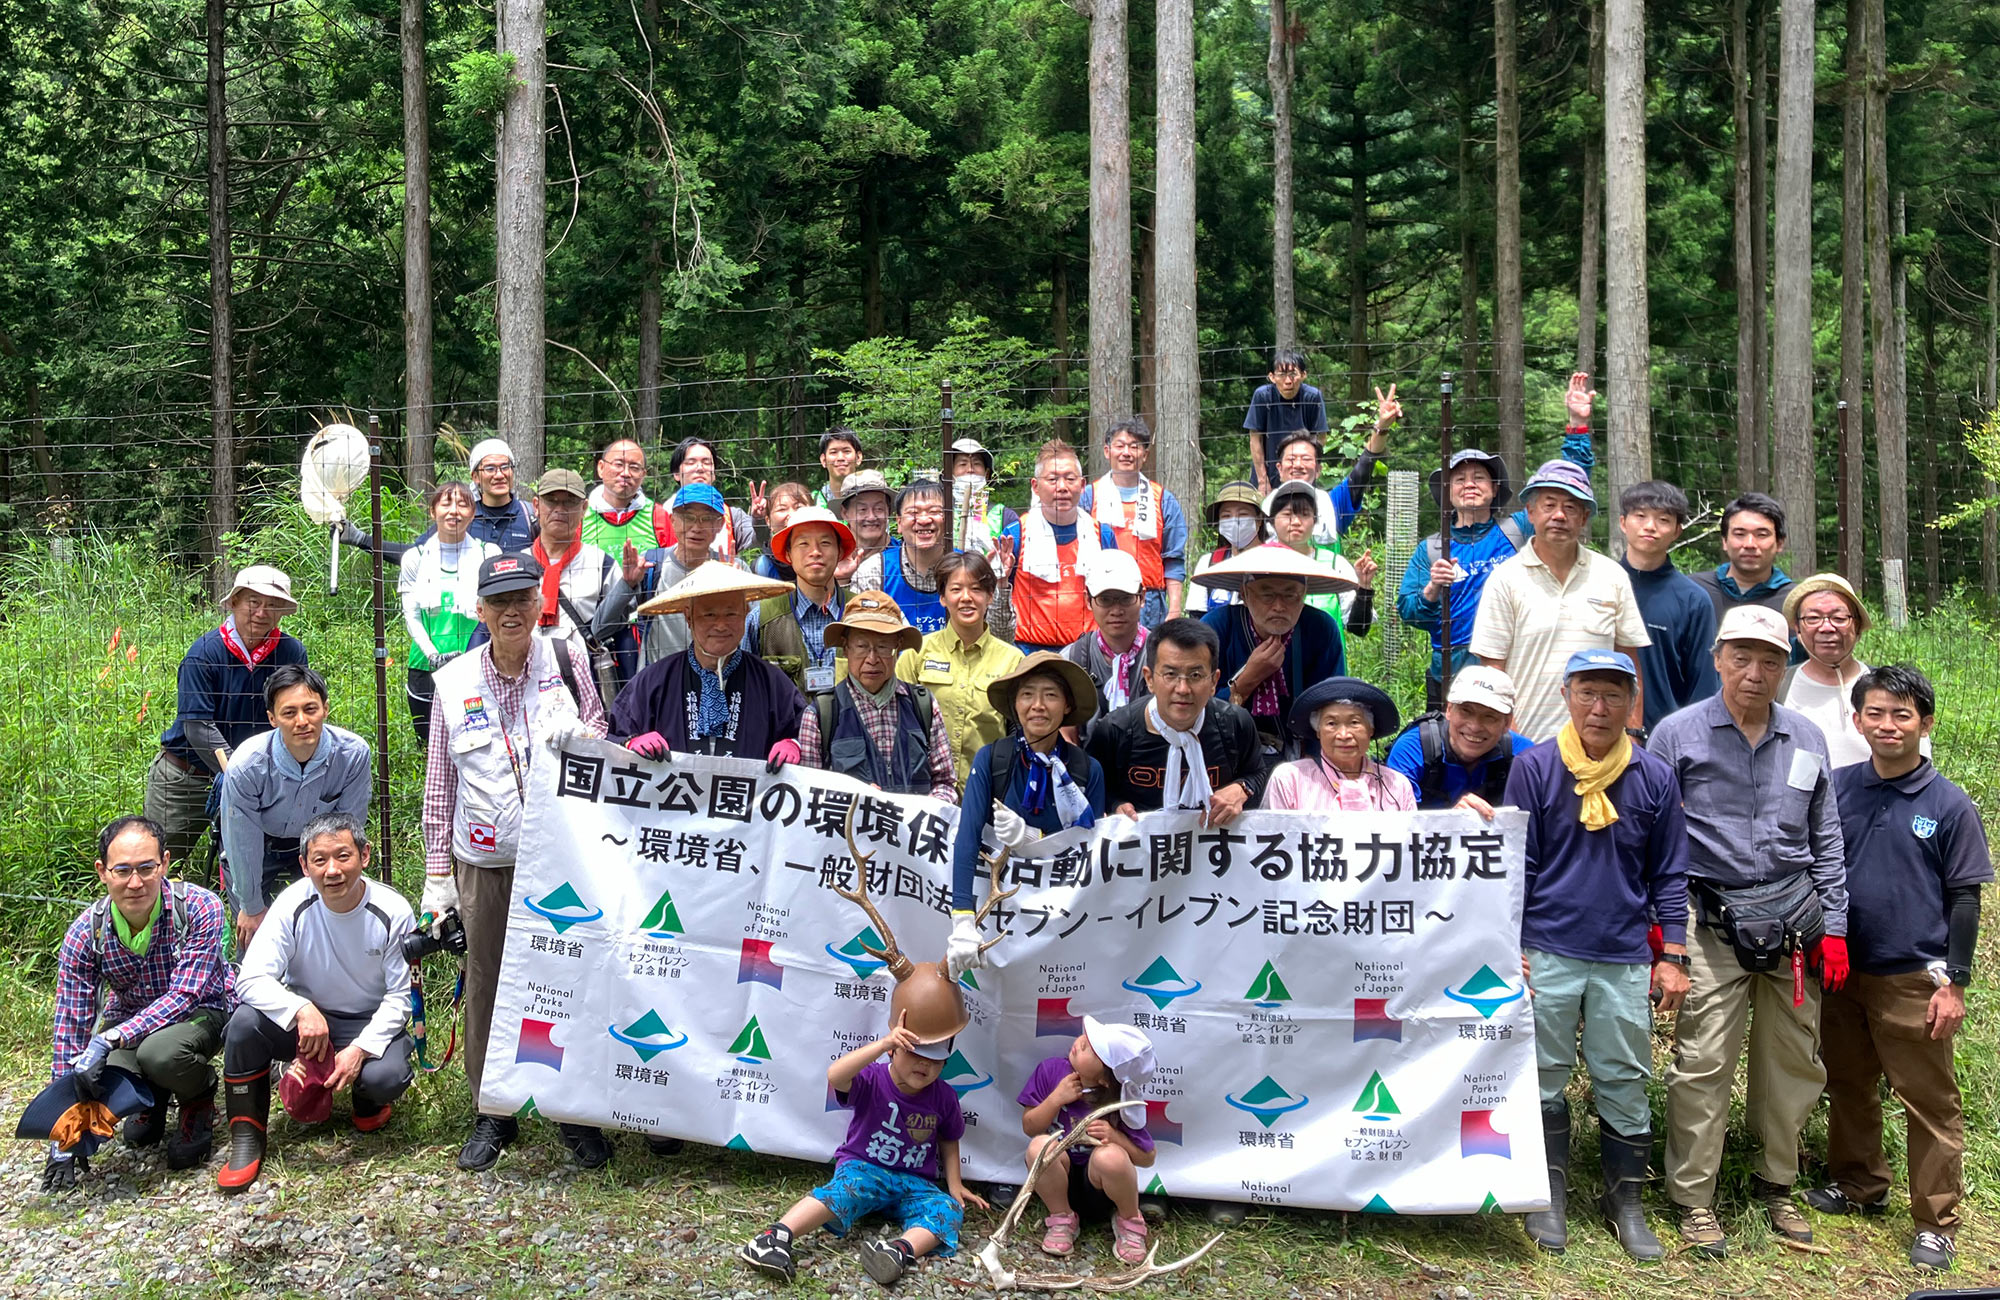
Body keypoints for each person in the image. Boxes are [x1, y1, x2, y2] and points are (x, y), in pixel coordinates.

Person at [1649, 604, 1848, 1258]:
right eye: (1742, 657)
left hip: (1794, 922)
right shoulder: (1677, 735)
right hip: (1710, 919)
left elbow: (1826, 837)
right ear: (1718, 660)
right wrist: (1666, 937)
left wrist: (1835, 926)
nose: (1755, 672)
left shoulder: (1807, 737)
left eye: (1769, 660)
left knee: (1792, 1059)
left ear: (1785, 665)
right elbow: (1658, 841)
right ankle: (1694, 1199)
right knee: (1703, 1061)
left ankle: (1777, 1182)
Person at [421, 552, 610, 1173]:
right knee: (488, 982)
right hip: (488, 858)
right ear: (480, 610)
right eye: (498, 601)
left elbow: (602, 727)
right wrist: (437, 878)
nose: (511, 611)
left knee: (567, 979)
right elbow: (440, 785)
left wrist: (580, 731)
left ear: (538, 603)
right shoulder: (452, 682)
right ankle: (492, 1110)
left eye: (522, 598)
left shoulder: (565, 656)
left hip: (564, 856)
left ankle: (571, 1109)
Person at [1504, 650, 1690, 1260]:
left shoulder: (1654, 776)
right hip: (1548, 948)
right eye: (1587, 692)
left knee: (1623, 1075)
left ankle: (1625, 1203)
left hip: (1623, 953)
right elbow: (1517, 867)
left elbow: (1668, 872)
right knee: (1543, 1073)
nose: (1600, 708)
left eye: (1614, 695)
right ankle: (1547, 1197)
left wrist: (1673, 955)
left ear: (1632, 702)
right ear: (1566, 695)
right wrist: (1510, 944)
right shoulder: (1533, 768)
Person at [1807, 664, 1989, 1272]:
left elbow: (1965, 897)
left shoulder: (1949, 804)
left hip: (1914, 976)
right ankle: (1859, 1184)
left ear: (1925, 723)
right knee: (1850, 1085)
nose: (1888, 725)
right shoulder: (1837, 786)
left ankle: (1936, 1222)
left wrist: (1955, 983)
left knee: (1927, 1101)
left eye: (1902, 714)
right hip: (1841, 970)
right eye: (1876, 714)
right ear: (1857, 722)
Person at [217, 813, 415, 1191]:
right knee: (243, 1025)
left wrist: (359, 1049)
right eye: (320, 860)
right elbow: (251, 977)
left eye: (343, 856)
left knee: (384, 1077)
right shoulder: (293, 904)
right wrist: (300, 1009)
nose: (333, 870)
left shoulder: (393, 910)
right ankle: (246, 1136)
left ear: (365, 856)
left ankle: (367, 1099)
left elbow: (400, 996)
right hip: (309, 1022)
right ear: (304, 865)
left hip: (365, 1020)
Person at [44, 816, 233, 1190]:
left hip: (203, 1010)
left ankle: (198, 1097)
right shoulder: (87, 934)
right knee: (102, 1072)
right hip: (131, 1021)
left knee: (159, 1055)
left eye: (147, 868)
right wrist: (62, 1134)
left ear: (164, 863)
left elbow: (185, 995)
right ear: (102, 871)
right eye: (123, 870)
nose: (135, 882)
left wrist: (110, 1038)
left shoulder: (199, 908)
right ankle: (153, 1100)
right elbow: (71, 1027)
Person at [1396, 373, 1599, 708]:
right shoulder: (1431, 550)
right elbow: (1409, 613)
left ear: (1494, 489)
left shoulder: (1518, 530)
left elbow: (1566, 486)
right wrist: (1432, 590)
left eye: (1479, 477)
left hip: (1515, 659)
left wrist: (1577, 425)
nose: (1469, 484)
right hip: (1450, 670)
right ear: (1448, 493)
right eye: (1459, 479)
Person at [738, 1013, 984, 1286]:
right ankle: (774, 1237)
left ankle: (898, 1253)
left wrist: (955, 1184)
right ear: (893, 1050)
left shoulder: (945, 1096)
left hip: (915, 1183)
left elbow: (949, 1139)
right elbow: (836, 1076)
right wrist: (881, 1044)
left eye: (935, 1059)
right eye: (914, 1053)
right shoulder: (872, 1078)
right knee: (844, 1189)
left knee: (948, 1209)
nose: (924, 1064)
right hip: (864, 1169)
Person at [1469, 459, 1649, 742]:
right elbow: (1493, 672)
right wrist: (1514, 744)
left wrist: (1634, 732)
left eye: (1571, 507)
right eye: (1549, 505)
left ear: (1584, 517)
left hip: (1602, 747)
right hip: (1527, 745)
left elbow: (1630, 663)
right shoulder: (1504, 580)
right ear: (1530, 512)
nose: (1559, 516)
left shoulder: (1612, 576)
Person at [147, 565, 309, 869]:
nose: (262, 612)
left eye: (272, 604)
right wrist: (237, 771)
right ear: (234, 603)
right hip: (186, 778)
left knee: (250, 866)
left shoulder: (291, 652)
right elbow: (197, 727)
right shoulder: (204, 653)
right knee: (158, 863)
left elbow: (297, 711)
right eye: (253, 601)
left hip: (259, 777)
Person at [219, 665, 372, 952]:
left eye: (310, 709)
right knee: (252, 938)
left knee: (329, 930)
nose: (302, 721)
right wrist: (252, 908)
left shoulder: (353, 755)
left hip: (318, 848)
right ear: (272, 718)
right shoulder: (247, 765)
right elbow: (241, 841)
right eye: (289, 713)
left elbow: (347, 831)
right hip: (259, 847)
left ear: (325, 709)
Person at [948, 654, 1104, 915]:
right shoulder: (992, 760)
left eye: (1051, 695)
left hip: (1061, 912)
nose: (1038, 705)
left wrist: (1033, 839)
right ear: (1015, 703)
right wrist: (962, 916)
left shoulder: (1087, 770)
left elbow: (1091, 852)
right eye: (1027, 694)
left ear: (1067, 705)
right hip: (999, 909)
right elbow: (967, 838)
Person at [611, 562, 805, 766]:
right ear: (689, 617)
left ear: (745, 613)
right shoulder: (653, 682)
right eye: (709, 615)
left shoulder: (771, 682)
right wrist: (630, 743)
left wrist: (793, 743)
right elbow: (615, 738)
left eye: (731, 614)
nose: (721, 625)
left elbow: (804, 732)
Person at [1083, 615, 1268, 823]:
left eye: (1196, 675)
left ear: (1214, 681)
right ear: (1149, 679)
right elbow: (1093, 786)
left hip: (1214, 846)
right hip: (1141, 849)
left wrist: (1241, 789)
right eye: (1170, 674)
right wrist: (1115, 805)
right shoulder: (1115, 730)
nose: (1183, 689)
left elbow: (1258, 773)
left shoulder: (1235, 724)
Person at [1016, 1019, 1158, 1264]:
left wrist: (1116, 1138)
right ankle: (1061, 1219)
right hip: (1059, 1185)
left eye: (1093, 1050)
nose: (1081, 1042)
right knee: (1039, 1146)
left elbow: (1148, 1158)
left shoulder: (1119, 1103)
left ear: (1105, 1079)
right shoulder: (1051, 1071)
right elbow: (1029, 1127)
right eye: (1087, 1038)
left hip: (1101, 1191)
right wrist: (1055, 1099)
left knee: (1110, 1156)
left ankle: (1130, 1221)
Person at [795, 593, 957, 802]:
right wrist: (849, 798)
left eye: (883, 647)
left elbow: (945, 782)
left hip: (913, 832)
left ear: (898, 648)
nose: (872, 659)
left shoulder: (923, 705)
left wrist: (924, 809)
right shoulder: (821, 714)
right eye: (862, 647)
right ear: (846, 648)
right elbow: (809, 795)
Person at [1196, 544, 1353, 760]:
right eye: (1267, 595)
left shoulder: (1320, 629)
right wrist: (1245, 681)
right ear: (1245, 594)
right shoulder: (1217, 627)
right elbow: (1194, 704)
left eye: (1291, 596)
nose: (1279, 606)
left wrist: (1313, 768)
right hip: (1223, 749)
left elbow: (1331, 703)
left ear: (1304, 595)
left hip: (1299, 753)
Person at [897, 551, 1023, 785]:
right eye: (956, 589)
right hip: (924, 789)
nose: (966, 597)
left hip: (988, 791)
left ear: (991, 596)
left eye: (976, 589)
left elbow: (1018, 734)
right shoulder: (916, 654)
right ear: (942, 597)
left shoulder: (1013, 661)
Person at [596, 483, 745, 669]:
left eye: (706, 519)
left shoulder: (734, 569)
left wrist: (735, 589)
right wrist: (627, 584)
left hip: (720, 682)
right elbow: (600, 629)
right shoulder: (651, 567)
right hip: (662, 687)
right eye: (687, 517)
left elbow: (751, 636)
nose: (696, 527)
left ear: (719, 525)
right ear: (672, 520)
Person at [398, 481, 500, 741]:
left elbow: (495, 611)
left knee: (477, 743)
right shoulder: (415, 558)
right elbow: (411, 615)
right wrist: (433, 655)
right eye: (446, 503)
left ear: (473, 513)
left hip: (479, 664)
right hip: (425, 664)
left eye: (463, 504)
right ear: (433, 512)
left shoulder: (488, 554)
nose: (454, 511)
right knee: (428, 747)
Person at [1000, 440, 1122, 653]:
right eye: (1053, 479)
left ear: (1082, 485)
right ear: (1035, 486)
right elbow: (999, 594)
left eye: (1070, 479)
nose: (1063, 487)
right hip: (1027, 650)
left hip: (1087, 649)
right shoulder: (1016, 534)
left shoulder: (1101, 535)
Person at [1617, 480, 1718, 731]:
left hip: (1665, 740)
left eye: (1663, 520)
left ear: (1677, 531)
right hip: (1592, 733)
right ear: (1623, 523)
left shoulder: (1693, 599)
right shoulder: (1598, 584)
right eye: (1640, 516)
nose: (1650, 527)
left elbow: (1703, 686)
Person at [340, 437, 538, 561]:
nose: (499, 474)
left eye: (505, 467)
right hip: (467, 623)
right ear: (475, 476)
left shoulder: (531, 517)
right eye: (490, 468)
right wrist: (361, 539)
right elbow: (414, 555)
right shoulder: (461, 517)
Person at [1078, 418, 1187, 629]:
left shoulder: (1163, 499)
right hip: (1102, 598)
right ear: (1107, 451)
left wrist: (1174, 609)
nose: (1126, 453)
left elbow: (1174, 559)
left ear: (1145, 455)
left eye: (1134, 446)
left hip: (1150, 602)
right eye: (1120, 446)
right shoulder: (1089, 497)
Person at [1259, 380, 1401, 542]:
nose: (1298, 465)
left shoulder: (1332, 504)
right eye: (1291, 459)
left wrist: (1381, 428)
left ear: (1318, 469)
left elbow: (1362, 471)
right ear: (1279, 468)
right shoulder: (1262, 509)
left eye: (1306, 459)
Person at [1384, 665, 1532, 812]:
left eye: (1489, 717)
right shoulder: (1412, 751)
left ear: (1506, 723)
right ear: (1449, 710)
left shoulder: (1525, 756)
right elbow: (1397, 826)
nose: (1475, 727)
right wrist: (1454, 822)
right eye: (1466, 711)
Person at [1779, 572, 1887, 770]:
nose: (1826, 627)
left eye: (1838, 618)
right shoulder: (1778, 686)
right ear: (1798, 629)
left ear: (1857, 625)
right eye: (1813, 618)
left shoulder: (1886, 688)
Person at [746, 505, 852, 697]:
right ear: (788, 554)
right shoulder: (762, 619)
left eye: (826, 543)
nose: (815, 552)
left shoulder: (860, 613)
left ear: (840, 551)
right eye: (803, 544)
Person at [1263, 677, 1416, 811]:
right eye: (1331, 723)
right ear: (1318, 730)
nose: (1344, 735)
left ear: (1371, 729)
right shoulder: (1290, 779)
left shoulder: (1397, 785)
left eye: (1354, 722)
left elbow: (1412, 841)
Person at [1265, 478, 1375, 637]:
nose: (1296, 522)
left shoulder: (1334, 565)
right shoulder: (1260, 562)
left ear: (1315, 521)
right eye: (1288, 514)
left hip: (1326, 660)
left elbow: (1358, 628)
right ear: (1271, 521)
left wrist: (1364, 586)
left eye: (1304, 514)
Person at [852, 479, 955, 635]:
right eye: (913, 513)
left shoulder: (965, 567)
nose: (924, 520)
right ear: (899, 523)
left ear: (949, 519)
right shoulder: (873, 572)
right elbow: (857, 638)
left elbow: (993, 634)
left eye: (934, 511)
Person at [526, 469, 617, 645]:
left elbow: (620, 627)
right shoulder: (519, 564)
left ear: (584, 508)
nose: (559, 509)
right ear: (536, 506)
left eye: (570, 502)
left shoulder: (602, 564)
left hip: (583, 669)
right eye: (551, 501)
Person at [1690, 492, 1796, 636]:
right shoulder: (1694, 590)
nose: (1749, 544)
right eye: (1740, 534)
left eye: (1762, 535)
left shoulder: (1794, 601)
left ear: (1780, 543)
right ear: (1724, 541)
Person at [1063, 549, 1150, 724]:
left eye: (1126, 598)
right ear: (1088, 600)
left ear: (1142, 597)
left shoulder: (1163, 656)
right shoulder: (1071, 661)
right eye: (1105, 599)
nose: (1116, 610)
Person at [659, 436, 760, 561]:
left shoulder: (733, 516)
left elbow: (759, 543)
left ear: (714, 473)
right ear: (676, 474)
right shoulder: (659, 516)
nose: (700, 468)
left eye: (707, 462)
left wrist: (759, 519)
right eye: (691, 462)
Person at [1242, 348, 1326, 493]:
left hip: (1301, 474)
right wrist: (1263, 481)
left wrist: (1309, 471)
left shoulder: (1313, 397)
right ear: (1272, 377)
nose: (1288, 381)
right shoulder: (1262, 396)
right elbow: (1255, 440)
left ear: (1304, 375)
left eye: (1293, 374)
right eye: (1281, 375)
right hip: (1266, 474)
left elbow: (1320, 438)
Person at [1184, 482, 1266, 615]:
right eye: (1226, 516)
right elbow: (1196, 617)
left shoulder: (1273, 560)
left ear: (1259, 519)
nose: (1234, 522)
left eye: (1243, 514)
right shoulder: (1208, 563)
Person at [581, 437, 664, 555]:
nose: (625, 473)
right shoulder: (579, 515)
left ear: (643, 475)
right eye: (619, 464)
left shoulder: (658, 516)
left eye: (634, 468)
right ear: (601, 468)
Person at [946, 436, 1021, 558]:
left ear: (987, 474)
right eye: (962, 464)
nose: (970, 469)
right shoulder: (941, 514)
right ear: (950, 474)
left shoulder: (1005, 517)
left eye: (976, 464)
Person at [837, 469, 895, 586]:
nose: (871, 517)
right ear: (844, 513)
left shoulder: (902, 556)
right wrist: (842, 580)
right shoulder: (832, 556)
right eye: (862, 510)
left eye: (879, 508)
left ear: (888, 510)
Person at [753, 482, 815, 581]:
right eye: (782, 509)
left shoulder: (825, 552)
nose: (791, 515)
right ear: (768, 521)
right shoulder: (763, 567)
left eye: (798, 507)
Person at [815, 427, 865, 509]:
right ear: (823, 460)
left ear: (858, 458)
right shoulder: (812, 502)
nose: (840, 458)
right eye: (833, 452)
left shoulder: (871, 500)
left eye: (846, 451)